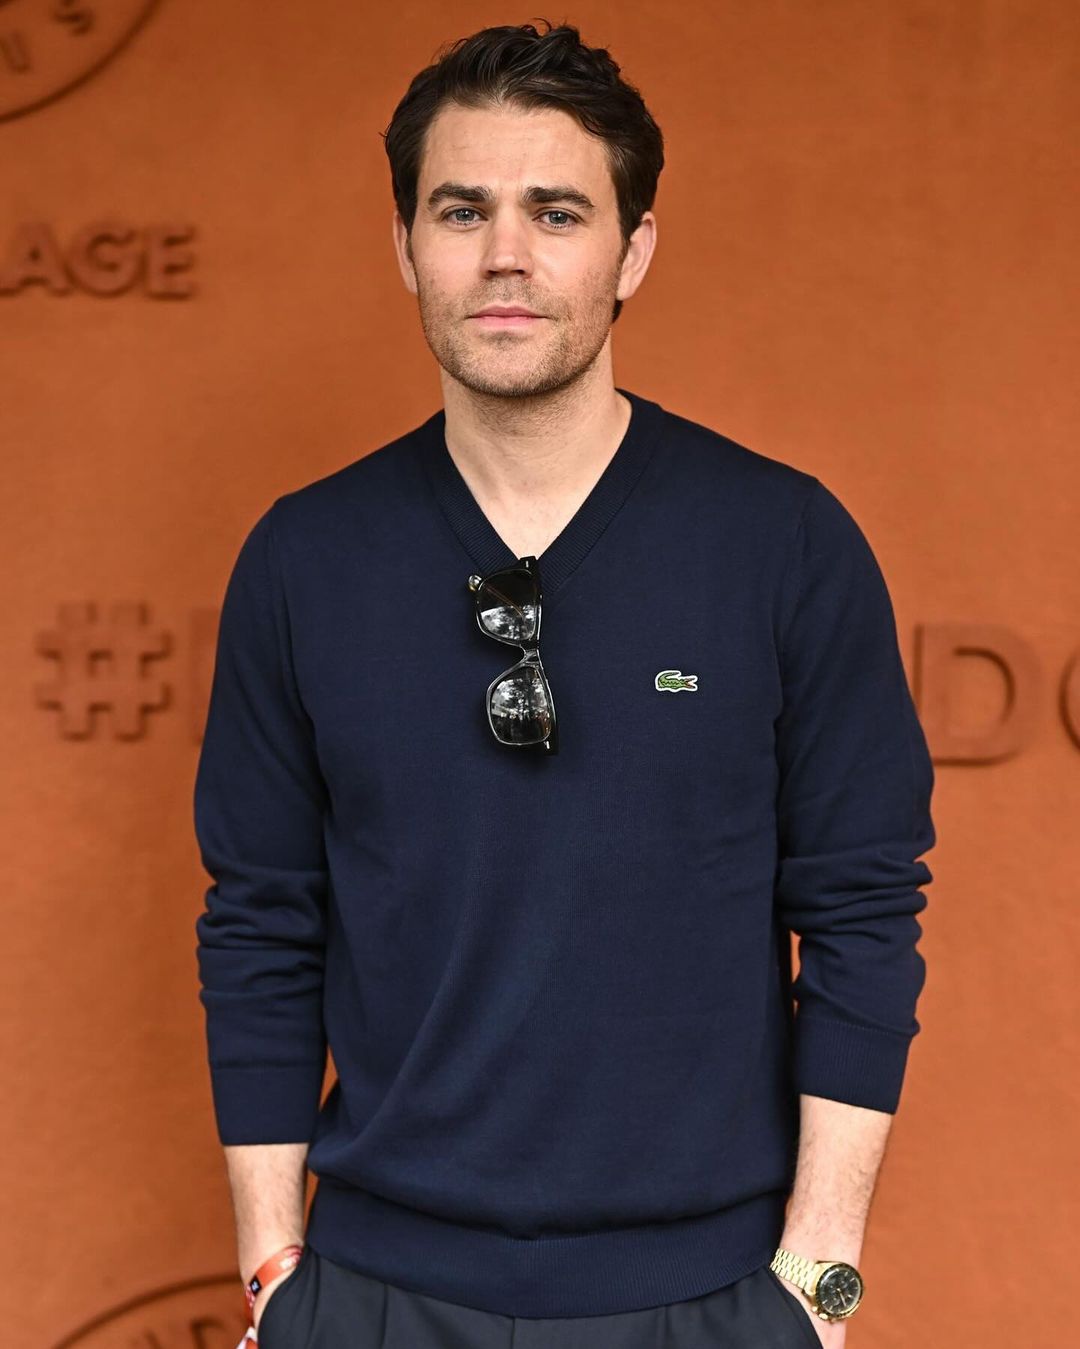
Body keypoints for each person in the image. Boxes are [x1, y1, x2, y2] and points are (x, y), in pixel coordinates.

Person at [193, 19, 936, 1349]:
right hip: (370, 1296)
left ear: (632, 250)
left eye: (556, 211)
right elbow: (259, 919)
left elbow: (863, 910)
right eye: (460, 210)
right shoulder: (305, 558)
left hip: (710, 1302)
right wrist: (271, 1267)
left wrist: (819, 1285)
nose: (505, 255)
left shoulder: (783, 543)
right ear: (405, 247)